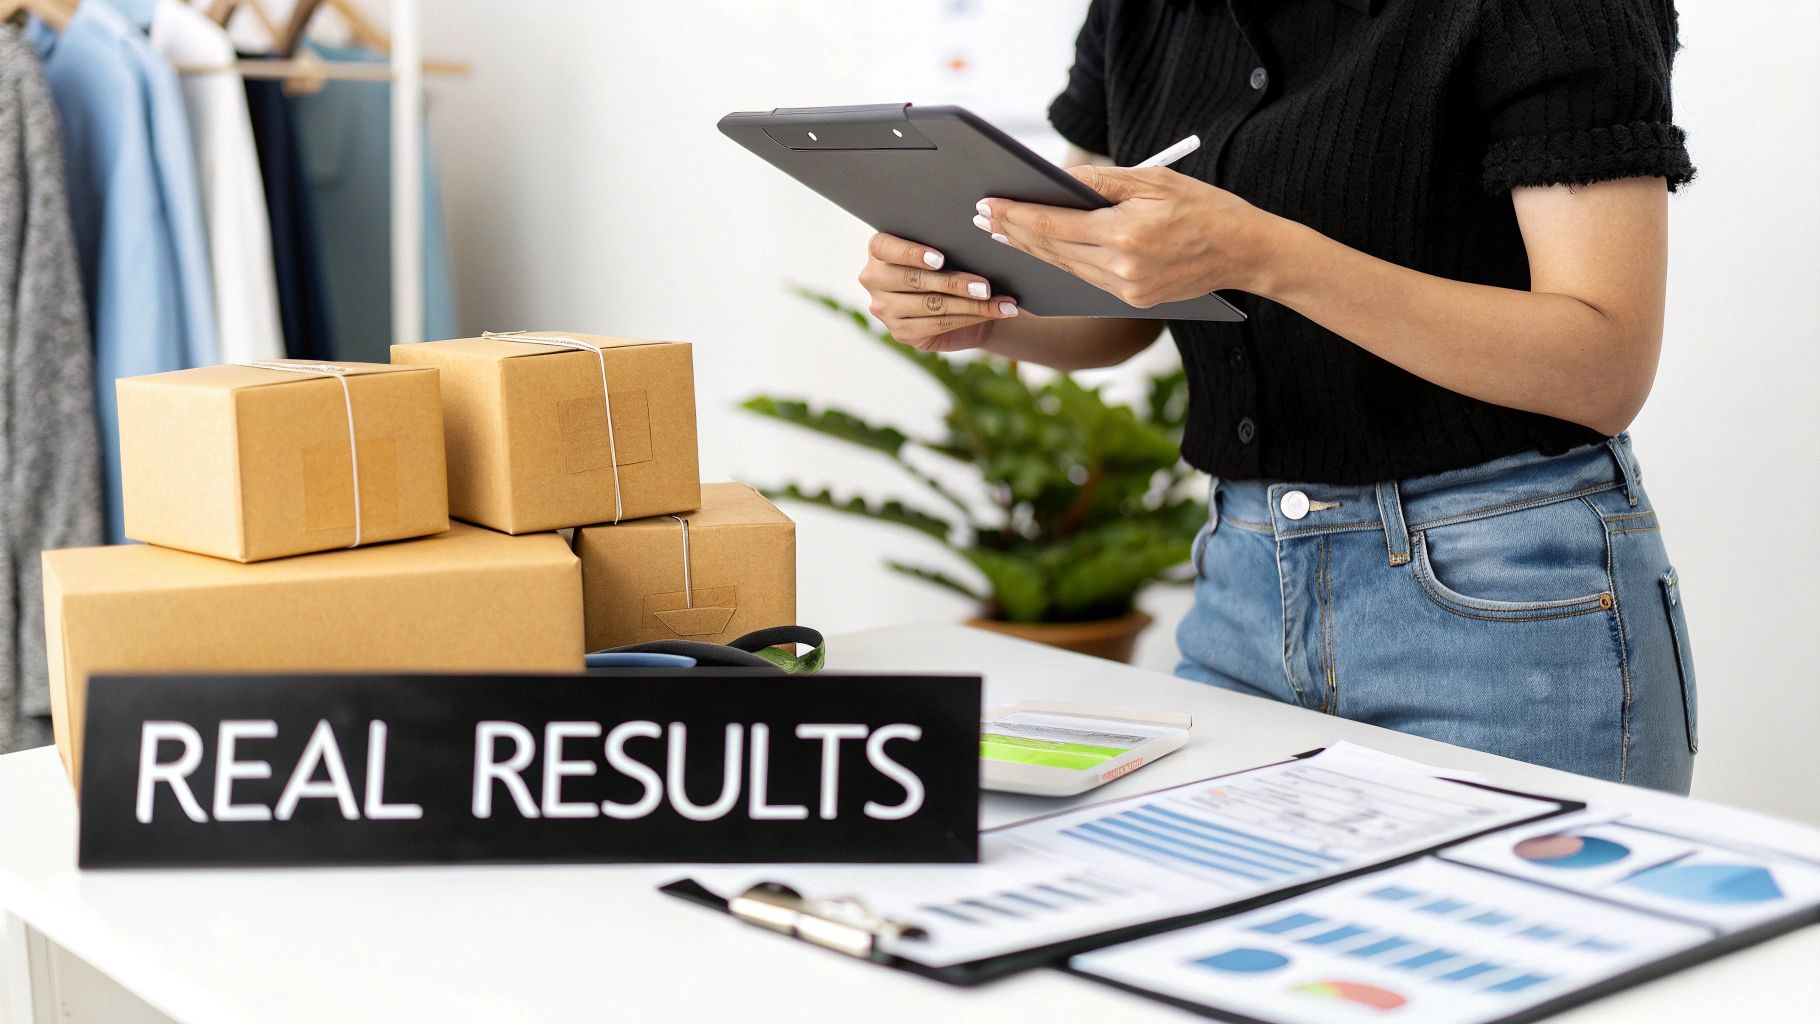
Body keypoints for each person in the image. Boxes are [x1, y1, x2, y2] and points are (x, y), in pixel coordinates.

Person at [856, 0, 1699, 792]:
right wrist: (979, 313)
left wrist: (1263, 256)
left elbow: (1604, 367)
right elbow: (1113, 309)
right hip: (1242, 586)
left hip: (1507, 605)